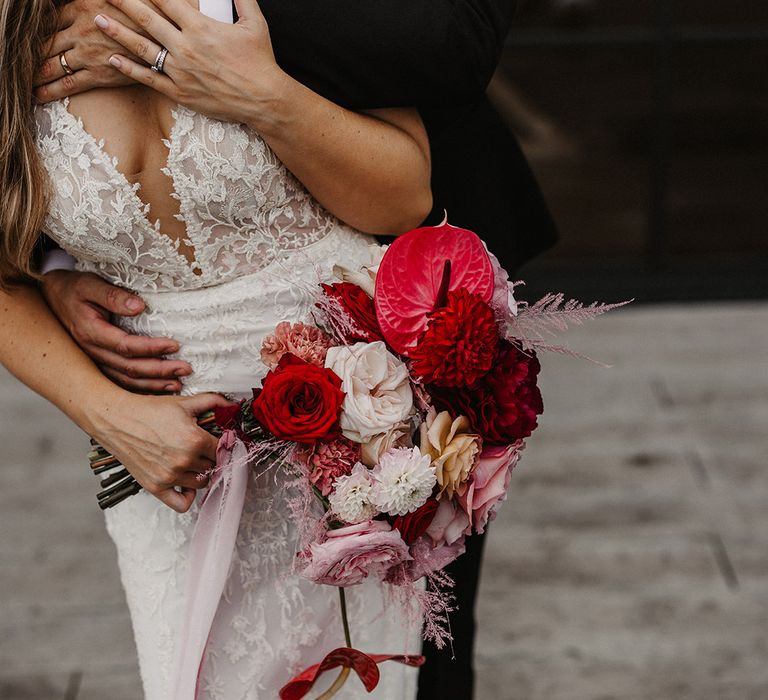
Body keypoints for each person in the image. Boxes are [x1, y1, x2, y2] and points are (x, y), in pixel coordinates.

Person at [31, 0, 559, 697]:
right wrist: (59, 305)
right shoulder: (24, 27)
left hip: (361, 417)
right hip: (160, 453)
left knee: (409, 670)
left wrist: (251, 82)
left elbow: (431, 88)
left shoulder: (316, 25)